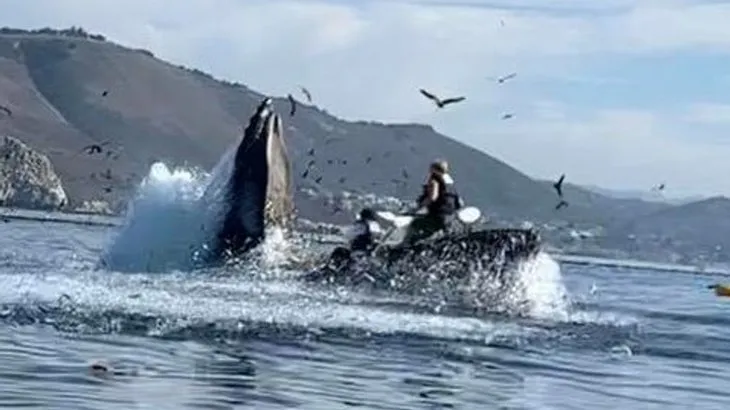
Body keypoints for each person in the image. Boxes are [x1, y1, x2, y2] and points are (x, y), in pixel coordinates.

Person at [403, 160, 462, 245]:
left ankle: (404, 245)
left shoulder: (435, 180)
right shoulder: (451, 185)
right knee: (430, 231)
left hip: (438, 216)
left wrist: (419, 207)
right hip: (449, 218)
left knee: (413, 224)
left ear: (434, 169)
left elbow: (433, 197)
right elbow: (460, 203)